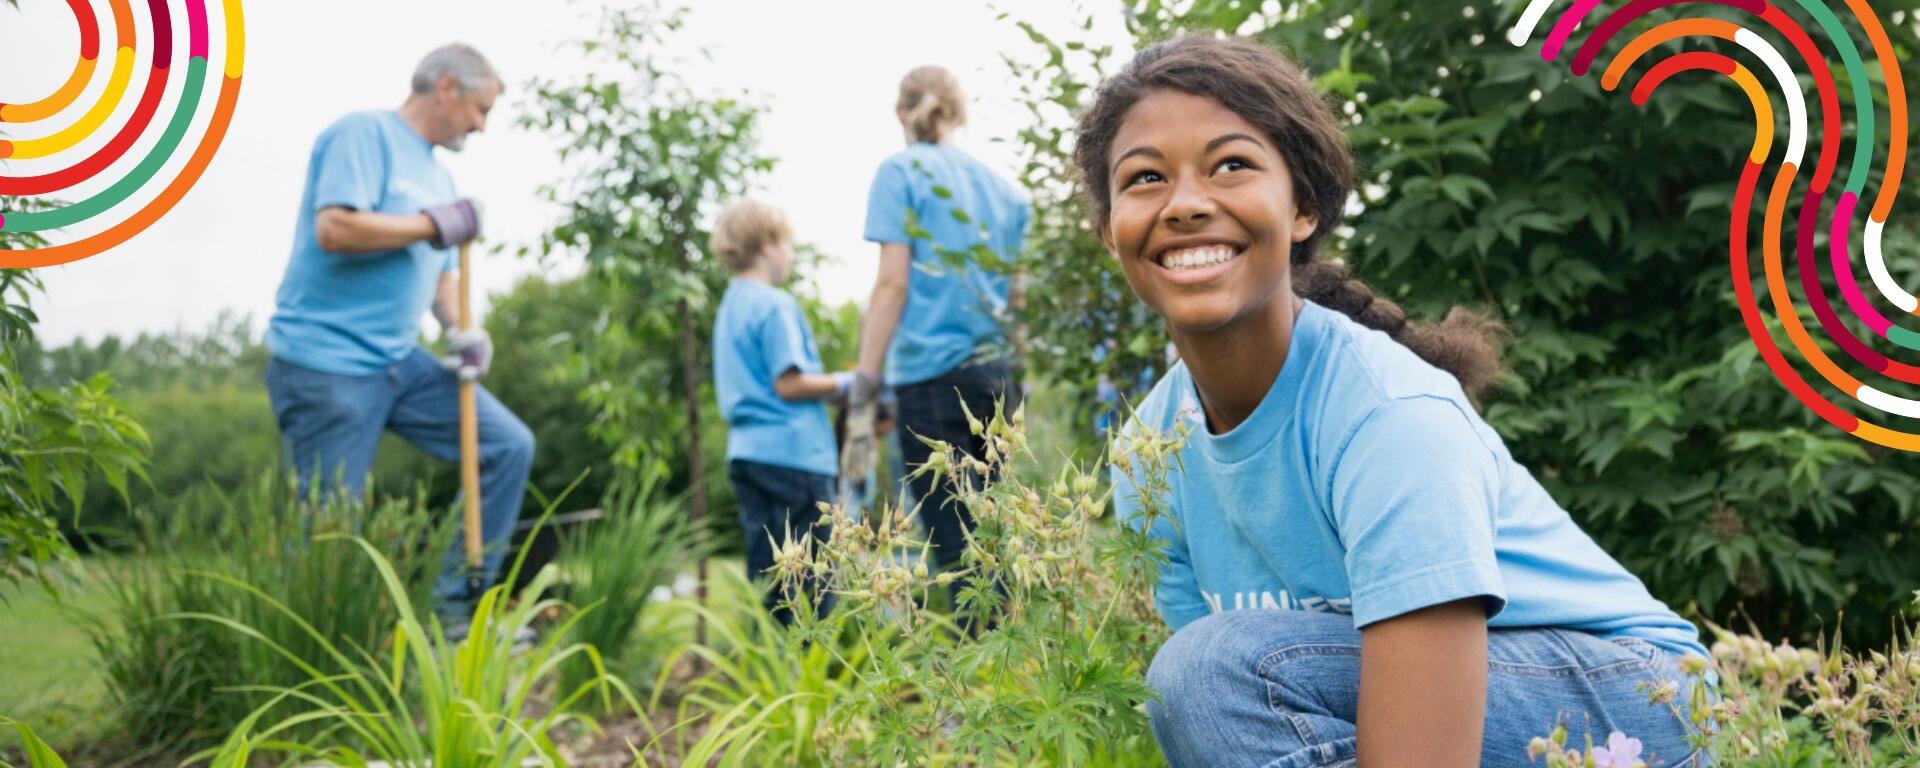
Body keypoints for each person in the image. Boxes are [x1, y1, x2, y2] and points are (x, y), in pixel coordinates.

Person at [1084, 37, 1709, 766]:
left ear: (1303, 209)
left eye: (1232, 165)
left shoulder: (1389, 416)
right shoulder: (1149, 454)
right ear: (1109, 232)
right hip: (1428, 694)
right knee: (1200, 673)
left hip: (1642, 701)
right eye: (1146, 178)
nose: (1186, 203)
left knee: (1213, 672)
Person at [263, 43, 532, 640]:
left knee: (508, 446)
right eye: (480, 109)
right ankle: (318, 661)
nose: (482, 126)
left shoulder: (438, 173)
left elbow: (437, 269)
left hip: (397, 361)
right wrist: (434, 223)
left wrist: (461, 328)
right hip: (326, 364)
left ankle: (453, 612)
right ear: (446, 87)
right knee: (329, 529)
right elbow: (335, 228)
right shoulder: (363, 136)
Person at [846, 65, 1031, 616]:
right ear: (960, 114)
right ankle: (1012, 677)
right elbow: (1017, 302)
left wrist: (863, 385)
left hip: (929, 381)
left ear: (902, 114)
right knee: (996, 539)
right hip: (998, 380)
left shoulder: (899, 172)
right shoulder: (1006, 193)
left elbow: (892, 284)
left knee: (954, 549)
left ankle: (975, 696)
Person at [710, 199, 855, 625]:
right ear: (768, 245)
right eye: (788, 245)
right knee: (812, 583)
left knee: (770, 579)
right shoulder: (774, 305)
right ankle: (808, 681)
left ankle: (770, 676)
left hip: (748, 455)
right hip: (794, 457)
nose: (790, 255)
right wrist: (848, 383)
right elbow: (789, 384)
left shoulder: (730, 305)